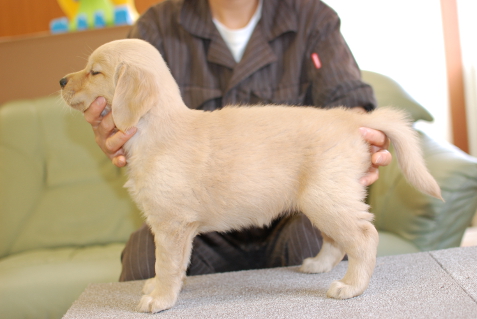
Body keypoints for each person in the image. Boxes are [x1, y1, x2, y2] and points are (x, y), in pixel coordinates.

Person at [83, 0, 392, 281]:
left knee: (315, 253)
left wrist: (358, 145)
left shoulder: (312, 17)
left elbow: (347, 100)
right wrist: (112, 131)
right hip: (201, 223)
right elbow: (121, 104)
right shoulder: (157, 27)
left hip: (291, 214)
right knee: (141, 262)